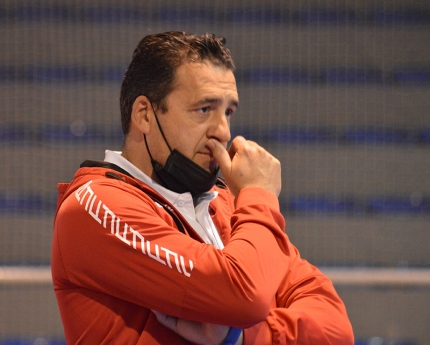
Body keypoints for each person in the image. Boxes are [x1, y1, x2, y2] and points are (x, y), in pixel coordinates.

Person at [51, 31, 354, 344]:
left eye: (228, 112)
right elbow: (245, 296)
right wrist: (260, 196)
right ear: (145, 115)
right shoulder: (95, 207)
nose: (223, 131)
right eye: (204, 110)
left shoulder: (230, 203)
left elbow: (336, 331)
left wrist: (234, 336)